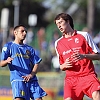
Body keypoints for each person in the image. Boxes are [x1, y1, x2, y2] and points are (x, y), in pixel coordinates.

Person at [54, 13, 100, 100]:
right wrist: (65, 65)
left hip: (88, 76)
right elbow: (61, 66)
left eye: (60, 22)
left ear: (68, 21)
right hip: (71, 79)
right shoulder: (58, 43)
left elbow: (98, 56)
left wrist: (84, 56)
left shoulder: (84, 35)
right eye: (57, 24)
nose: (59, 26)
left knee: (97, 95)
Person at [0, 25, 47, 100]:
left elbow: (36, 63)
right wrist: (6, 61)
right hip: (18, 79)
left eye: (26, 32)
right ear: (15, 33)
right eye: (22, 31)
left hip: (32, 79)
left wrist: (31, 75)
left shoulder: (29, 49)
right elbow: (1, 63)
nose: (25, 33)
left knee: (39, 99)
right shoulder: (9, 46)